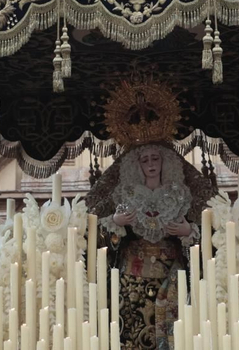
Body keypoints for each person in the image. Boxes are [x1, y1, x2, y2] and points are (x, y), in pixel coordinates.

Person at [91, 143, 212, 350]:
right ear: (137, 165)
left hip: (172, 277)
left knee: (176, 330)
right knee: (132, 332)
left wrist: (188, 232)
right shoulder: (125, 194)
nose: (151, 165)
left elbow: (210, 233)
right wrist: (115, 223)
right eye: (145, 160)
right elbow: (98, 235)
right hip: (131, 279)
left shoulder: (180, 194)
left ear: (165, 162)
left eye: (155, 158)